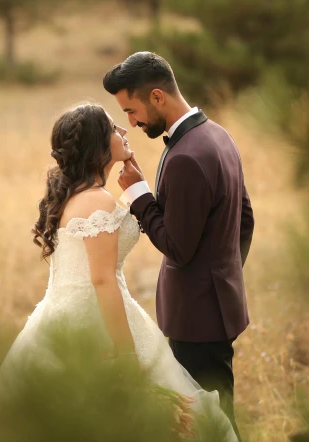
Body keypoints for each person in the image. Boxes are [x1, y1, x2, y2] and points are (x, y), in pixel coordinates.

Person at [0, 103, 237, 442]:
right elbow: (103, 279)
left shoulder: (75, 196)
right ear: (97, 144)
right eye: (112, 128)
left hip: (61, 316)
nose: (123, 131)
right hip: (95, 320)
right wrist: (125, 355)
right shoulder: (98, 201)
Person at [104, 52, 254, 438]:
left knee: (211, 422)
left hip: (197, 318)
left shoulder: (187, 155)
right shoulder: (218, 135)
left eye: (132, 111)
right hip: (216, 307)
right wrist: (224, 274)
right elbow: (245, 218)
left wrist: (139, 194)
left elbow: (177, 246)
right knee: (215, 415)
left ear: (157, 97)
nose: (131, 123)